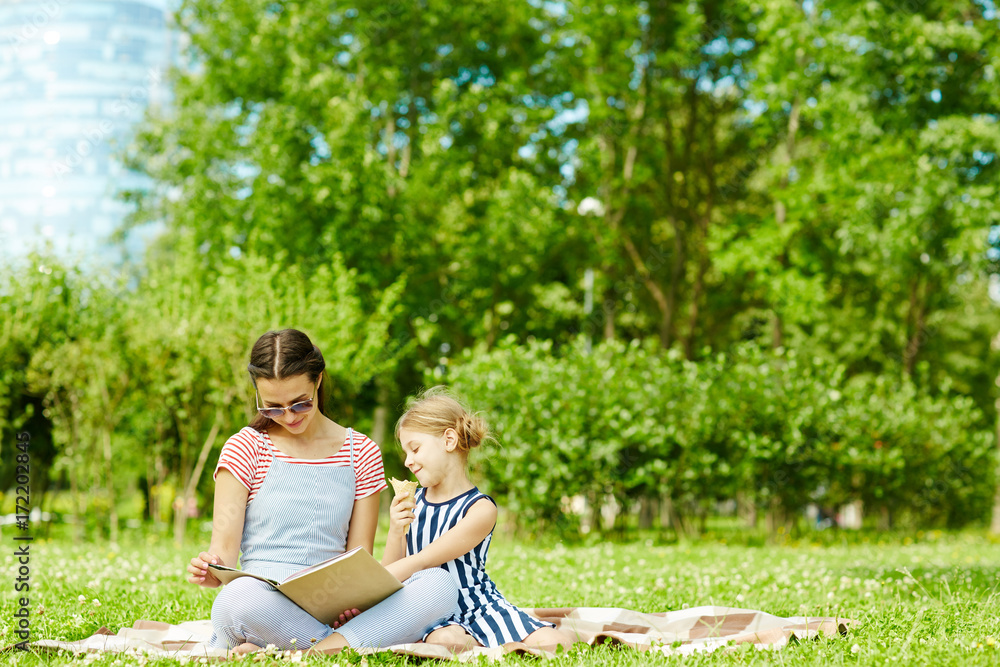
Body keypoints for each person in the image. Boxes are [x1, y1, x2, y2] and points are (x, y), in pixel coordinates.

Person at [186, 329, 458, 654]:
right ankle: (347, 646)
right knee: (236, 599)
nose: (288, 417)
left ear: (317, 382)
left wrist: (354, 603)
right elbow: (224, 557)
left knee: (439, 584)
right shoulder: (245, 447)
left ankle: (303, 652)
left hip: (337, 609)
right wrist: (210, 570)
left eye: (300, 403)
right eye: (272, 407)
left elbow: (359, 558)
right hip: (266, 603)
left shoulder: (361, 451)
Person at [382, 387, 576, 651]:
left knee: (557, 644)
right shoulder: (413, 502)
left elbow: (424, 560)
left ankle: (482, 641)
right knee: (445, 641)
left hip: (477, 604)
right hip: (430, 609)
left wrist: (363, 594)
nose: (408, 461)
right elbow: (393, 569)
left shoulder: (480, 509)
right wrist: (396, 529)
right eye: (406, 453)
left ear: (449, 440)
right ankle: (480, 645)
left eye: (415, 449)